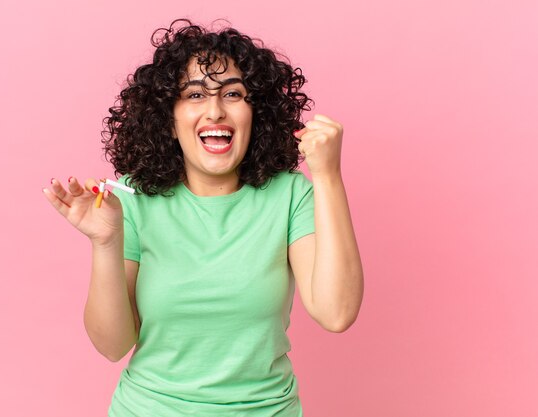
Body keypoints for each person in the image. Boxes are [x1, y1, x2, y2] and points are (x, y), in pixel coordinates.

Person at [42, 18, 363, 417]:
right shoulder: (134, 199)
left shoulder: (290, 195)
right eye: (195, 95)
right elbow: (112, 345)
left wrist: (328, 175)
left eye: (233, 94)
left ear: (255, 113)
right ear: (169, 121)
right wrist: (106, 242)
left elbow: (336, 313)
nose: (215, 111)